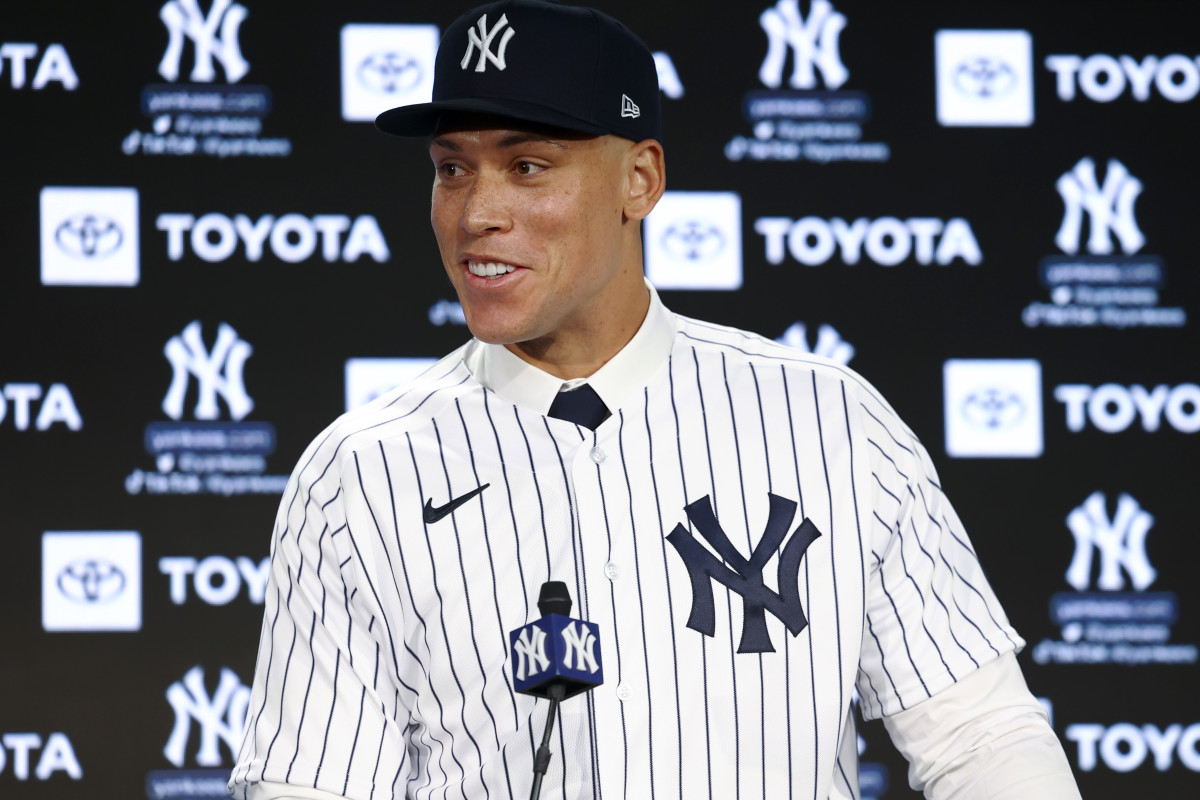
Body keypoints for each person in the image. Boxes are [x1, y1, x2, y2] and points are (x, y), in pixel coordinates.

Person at [229, 2, 1082, 798]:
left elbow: (982, 741)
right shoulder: (359, 475)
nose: (476, 212)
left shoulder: (831, 423)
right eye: (453, 169)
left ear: (639, 179)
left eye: (527, 166)